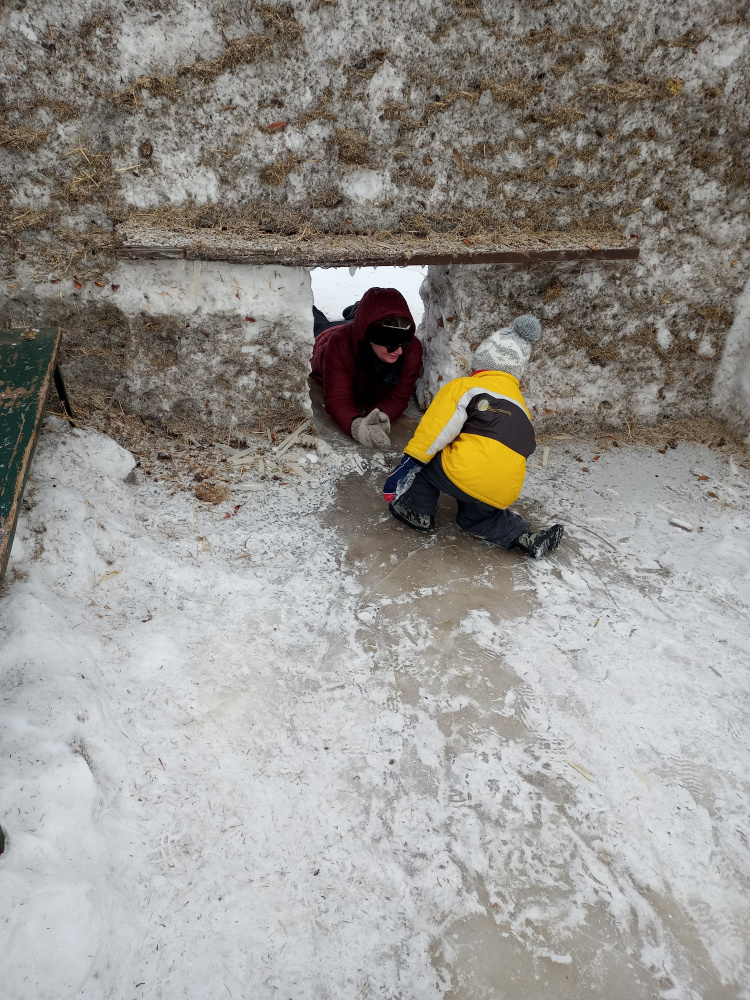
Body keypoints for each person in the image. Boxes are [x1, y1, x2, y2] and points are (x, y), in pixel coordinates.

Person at [382, 315, 564, 558]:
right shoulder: (521, 407)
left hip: (465, 473)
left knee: (428, 459)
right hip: (503, 489)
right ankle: (523, 537)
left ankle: (416, 512)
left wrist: (408, 463)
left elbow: (436, 430)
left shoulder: (466, 387)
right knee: (478, 516)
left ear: (481, 364)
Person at [310, 287, 423, 449]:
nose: (398, 351)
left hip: (360, 325)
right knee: (315, 319)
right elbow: (337, 399)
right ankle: (347, 310)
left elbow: (398, 398)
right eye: (391, 345)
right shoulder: (339, 344)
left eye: (404, 343)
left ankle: (357, 309)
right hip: (325, 335)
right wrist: (356, 426)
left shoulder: (412, 349)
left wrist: (381, 416)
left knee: (367, 316)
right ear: (370, 339)